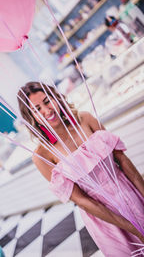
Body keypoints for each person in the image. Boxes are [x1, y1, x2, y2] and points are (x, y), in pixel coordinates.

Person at [17, 81, 144, 256]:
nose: (47, 111)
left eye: (47, 101)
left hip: (130, 193)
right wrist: (133, 228)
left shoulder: (86, 119)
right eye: (37, 109)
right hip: (104, 217)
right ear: (32, 117)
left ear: (57, 98)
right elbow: (81, 200)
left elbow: (122, 160)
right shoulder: (42, 156)